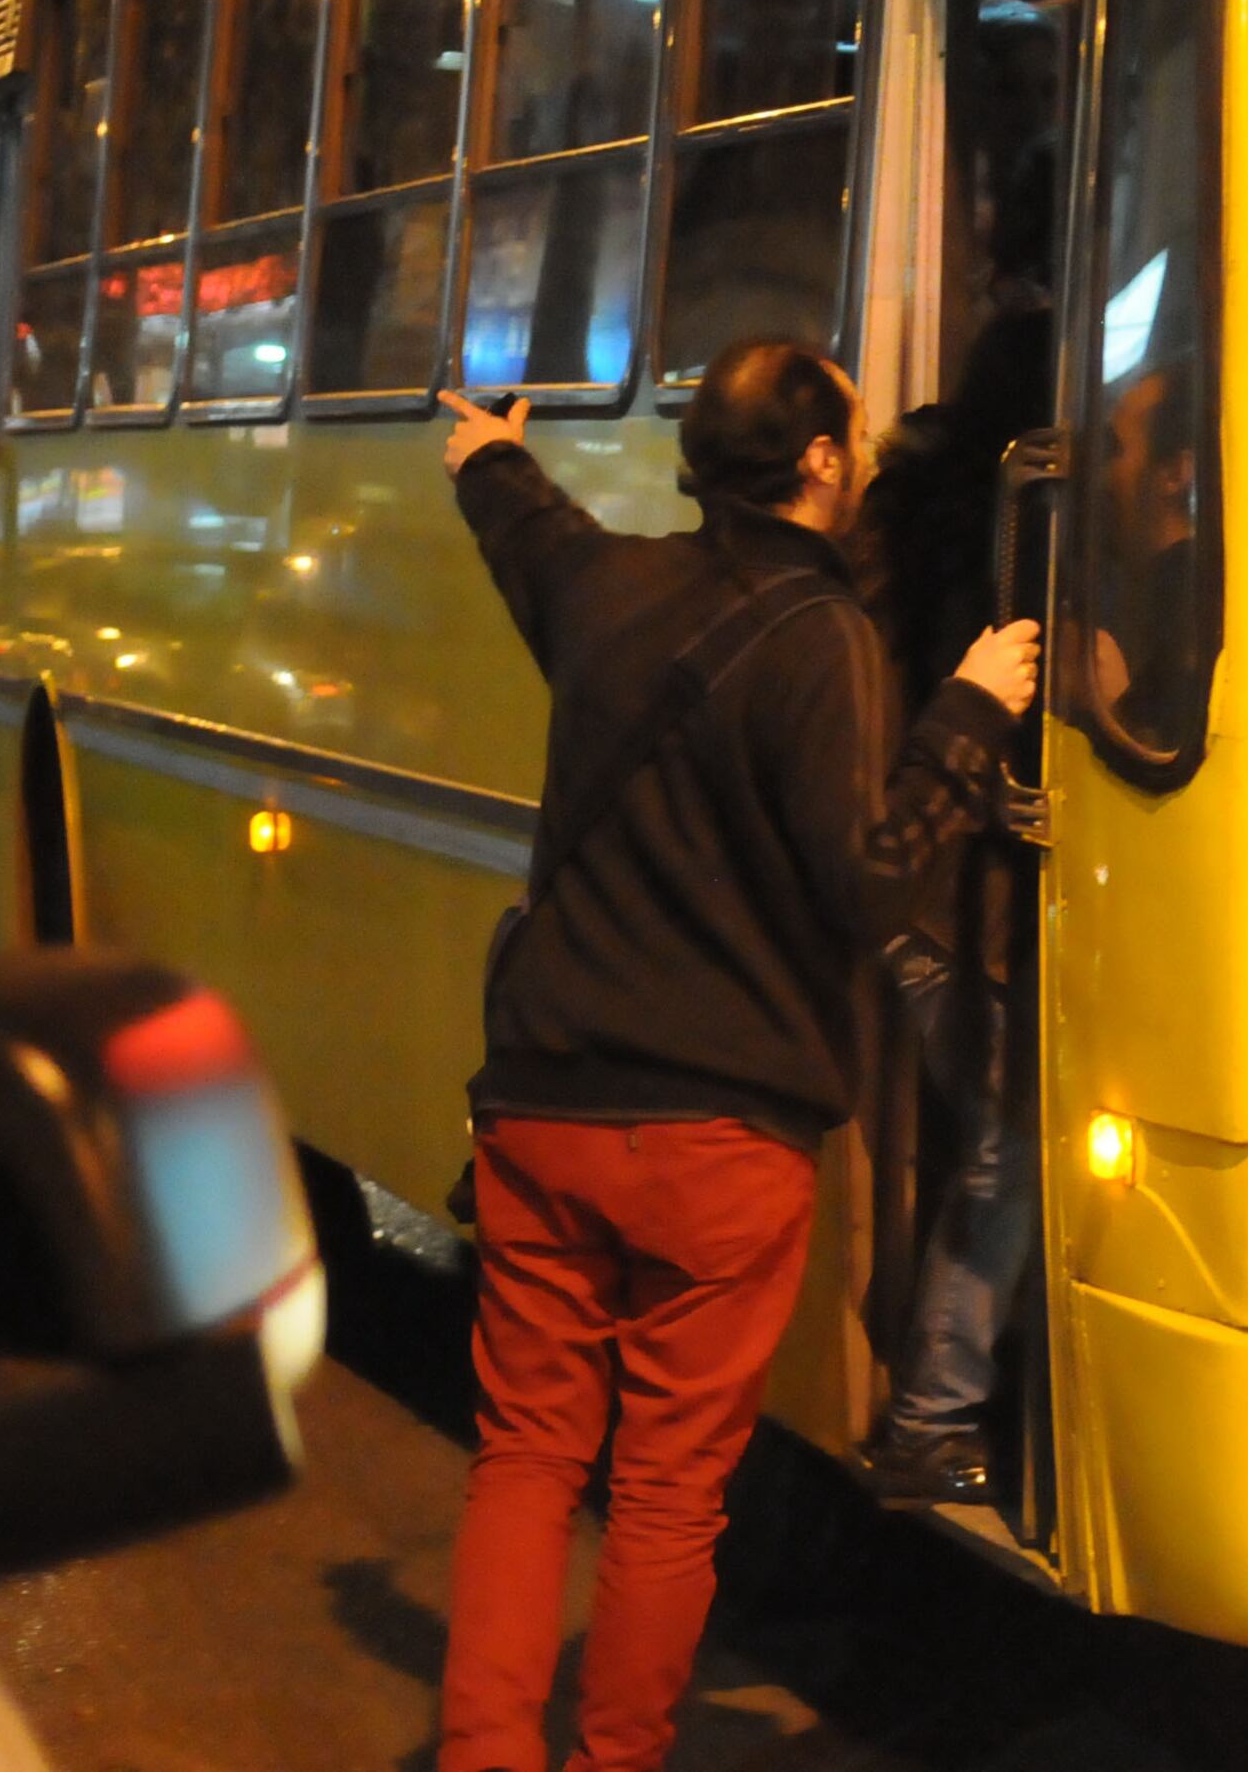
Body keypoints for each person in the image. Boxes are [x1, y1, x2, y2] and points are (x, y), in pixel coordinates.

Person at [432, 343, 1037, 1772]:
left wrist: (486, 451)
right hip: (718, 1139)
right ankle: (617, 1757)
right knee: (664, 1493)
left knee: (524, 1463)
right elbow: (869, 881)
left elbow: (528, 524)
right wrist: (968, 709)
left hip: (546, 1106)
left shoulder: (607, 588)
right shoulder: (824, 637)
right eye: (856, 417)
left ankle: (485, 1755)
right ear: (822, 460)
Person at [844, 310, 1053, 1508]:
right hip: (956, 887)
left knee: (992, 1146)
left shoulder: (911, 503)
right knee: (998, 1152)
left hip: (937, 879)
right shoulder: (1022, 536)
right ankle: (934, 1415)